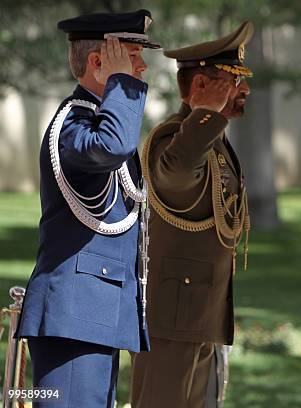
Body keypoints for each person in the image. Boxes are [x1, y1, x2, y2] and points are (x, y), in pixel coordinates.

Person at [15, 9, 159, 408]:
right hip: (75, 314)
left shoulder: (95, 121)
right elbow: (113, 147)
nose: (143, 67)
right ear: (99, 62)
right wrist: (123, 84)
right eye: (132, 56)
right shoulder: (74, 125)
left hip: (92, 312)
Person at [130, 21, 252, 408]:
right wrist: (205, 114)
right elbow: (179, 173)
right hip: (172, 317)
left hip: (198, 311)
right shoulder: (176, 137)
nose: (245, 90)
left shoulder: (210, 138)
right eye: (233, 81)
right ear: (200, 88)